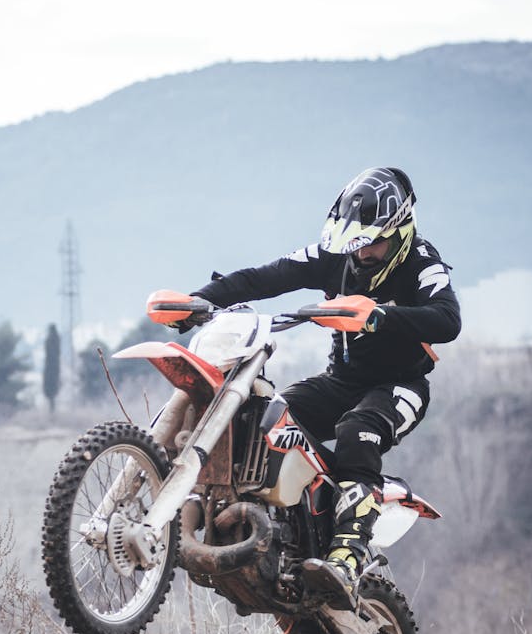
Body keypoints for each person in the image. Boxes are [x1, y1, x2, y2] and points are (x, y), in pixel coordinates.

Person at [178, 167, 461, 608]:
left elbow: (448, 319)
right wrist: (201, 300)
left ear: (402, 230)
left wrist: (380, 315)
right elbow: (265, 276)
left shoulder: (423, 262)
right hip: (340, 382)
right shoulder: (336, 255)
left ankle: (347, 555)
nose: (364, 252)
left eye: (375, 241)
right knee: (268, 419)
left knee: (357, 430)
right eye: (358, 241)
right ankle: (282, 535)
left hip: (399, 387)